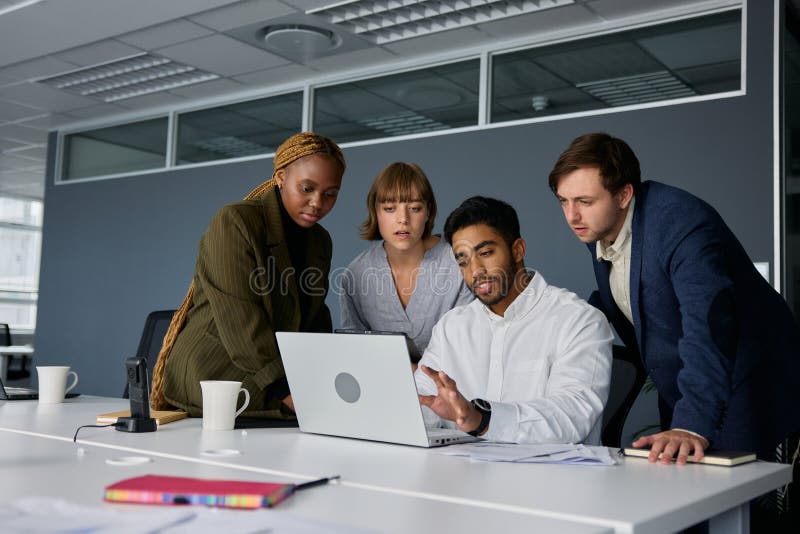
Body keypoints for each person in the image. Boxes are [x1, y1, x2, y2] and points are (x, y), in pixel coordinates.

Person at [549, 132, 800, 464]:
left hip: (745, 381)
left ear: (624, 195)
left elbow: (709, 321)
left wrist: (692, 425)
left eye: (584, 201)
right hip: (682, 384)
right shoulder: (598, 225)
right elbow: (626, 286)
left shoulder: (680, 224)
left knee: (741, 501)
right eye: (563, 201)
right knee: (685, 495)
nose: (571, 216)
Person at [150, 132, 346, 418]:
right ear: (281, 178)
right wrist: (290, 391)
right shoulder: (234, 222)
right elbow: (239, 319)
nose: (317, 202)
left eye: (330, 194)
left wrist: (329, 376)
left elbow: (314, 317)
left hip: (273, 373)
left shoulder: (320, 241)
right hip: (213, 373)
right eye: (307, 189)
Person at [415, 196, 613, 444]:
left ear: (518, 249)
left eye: (485, 253)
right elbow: (420, 399)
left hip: (551, 478)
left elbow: (572, 415)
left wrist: (482, 419)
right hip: (464, 477)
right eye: (463, 261)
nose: (475, 271)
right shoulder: (451, 327)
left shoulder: (579, 321)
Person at [339, 162, 472, 360]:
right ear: (376, 212)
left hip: (452, 388)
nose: (403, 219)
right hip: (382, 388)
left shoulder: (459, 262)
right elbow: (355, 354)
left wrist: (414, 374)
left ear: (428, 211)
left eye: (415, 208)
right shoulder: (355, 274)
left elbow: (468, 350)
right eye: (390, 208)